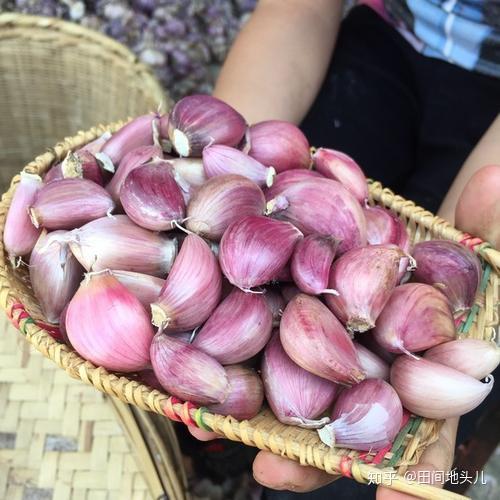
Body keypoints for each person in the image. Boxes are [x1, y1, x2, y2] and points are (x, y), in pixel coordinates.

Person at [191, 0, 500, 497]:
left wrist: (437, 277)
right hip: (387, 36)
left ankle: (466, 472)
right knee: (238, 345)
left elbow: (432, 271)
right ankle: (225, 454)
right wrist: (227, 167)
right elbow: (298, 10)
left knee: (358, 474)